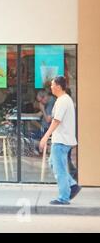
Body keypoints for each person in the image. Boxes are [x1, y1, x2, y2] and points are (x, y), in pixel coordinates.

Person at [39, 76, 81, 205]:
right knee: (53, 163)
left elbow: (56, 121)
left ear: (58, 86)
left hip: (61, 140)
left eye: (52, 85)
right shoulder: (63, 100)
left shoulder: (63, 100)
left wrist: (45, 137)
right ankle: (72, 185)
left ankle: (63, 197)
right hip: (63, 139)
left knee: (60, 169)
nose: (50, 87)